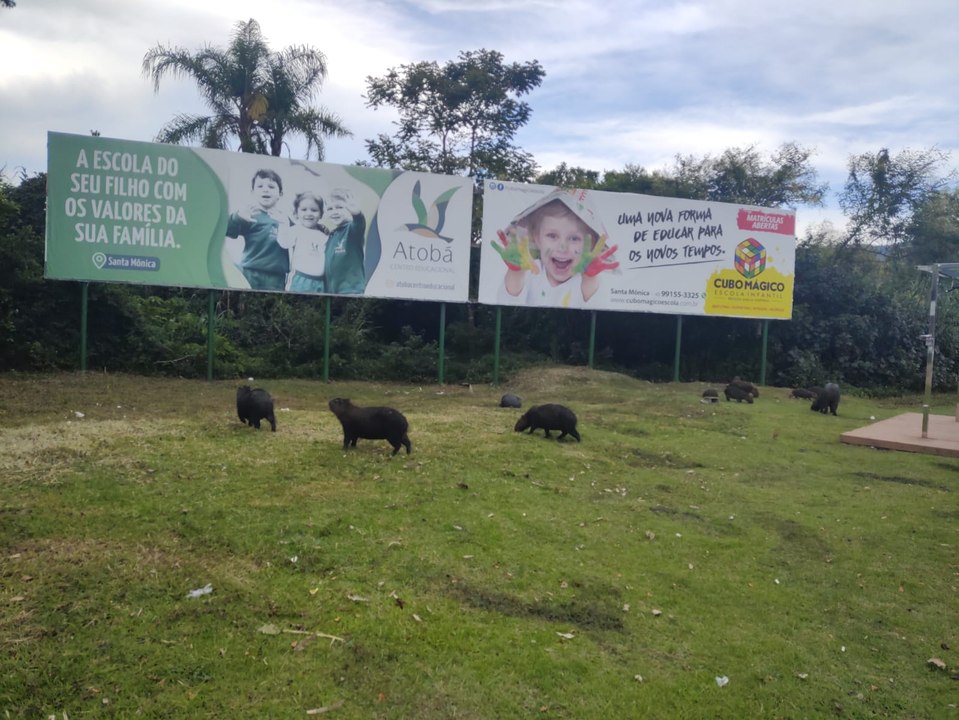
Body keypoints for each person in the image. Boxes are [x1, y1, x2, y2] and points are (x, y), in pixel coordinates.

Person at [492, 188, 619, 307]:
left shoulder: (586, 281)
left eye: (574, 238)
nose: (562, 247)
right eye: (552, 236)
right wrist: (515, 272)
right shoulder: (531, 270)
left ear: (591, 245)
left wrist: (589, 278)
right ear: (537, 238)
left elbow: (598, 304)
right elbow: (506, 301)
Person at [225, 168, 290, 290]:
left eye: (271, 187)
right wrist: (237, 217)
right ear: (252, 192)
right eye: (260, 186)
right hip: (250, 271)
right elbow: (226, 230)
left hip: (276, 276)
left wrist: (321, 228)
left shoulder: (284, 219)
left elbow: (302, 233)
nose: (265, 189)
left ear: (280, 194)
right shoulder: (250, 214)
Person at [277, 191, 329, 293]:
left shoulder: (324, 236)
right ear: (296, 213)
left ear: (321, 214)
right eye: (304, 210)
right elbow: (284, 243)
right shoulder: (296, 230)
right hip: (299, 279)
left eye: (314, 210)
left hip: (320, 282)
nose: (309, 213)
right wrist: (283, 225)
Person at [322, 188, 367, 294]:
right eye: (330, 209)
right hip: (332, 293)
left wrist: (357, 214)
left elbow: (359, 224)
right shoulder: (332, 235)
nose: (335, 212)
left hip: (351, 292)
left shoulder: (352, 230)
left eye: (339, 207)